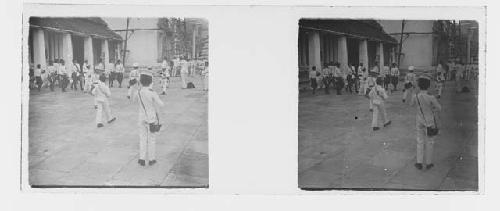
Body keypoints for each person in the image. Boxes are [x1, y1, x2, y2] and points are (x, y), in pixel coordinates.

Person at [131, 70, 164, 166]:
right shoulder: (152, 92)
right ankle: (151, 159)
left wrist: (134, 88)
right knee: (152, 139)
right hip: (151, 120)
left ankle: (141, 159)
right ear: (150, 82)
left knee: (142, 138)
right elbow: (161, 104)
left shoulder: (139, 91)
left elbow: (133, 100)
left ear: (141, 81)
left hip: (141, 118)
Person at [410, 76, 441, 170]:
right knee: (430, 142)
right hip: (429, 121)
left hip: (419, 120)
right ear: (428, 86)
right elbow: (439, 108)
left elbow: (411, 104)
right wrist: (432, 109)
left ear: (419, 86)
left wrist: (413, 93)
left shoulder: (416, 96)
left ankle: (419, 162)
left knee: (419, 141)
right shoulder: (431, 97)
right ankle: (428, 163)